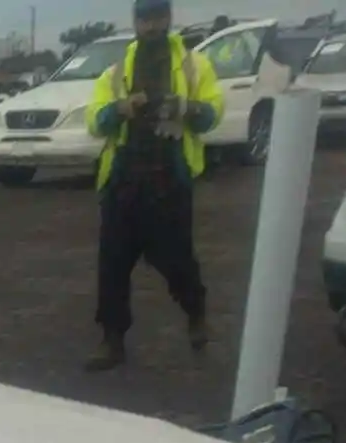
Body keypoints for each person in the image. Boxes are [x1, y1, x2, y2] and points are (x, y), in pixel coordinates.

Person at [83, 0, 225, 371]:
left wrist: (188, 108)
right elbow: (94, 122)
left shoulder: (195, 66)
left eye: (157, 17)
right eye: (144, 18)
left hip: (169, 180)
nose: (151, 25)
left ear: (168, 18)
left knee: (178, 263)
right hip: (124, 181)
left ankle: (196, 314)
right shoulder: (116, 72)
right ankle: (111, 341)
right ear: (135, 22)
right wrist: (119, 109)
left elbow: (213, 114)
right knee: (112, 266)